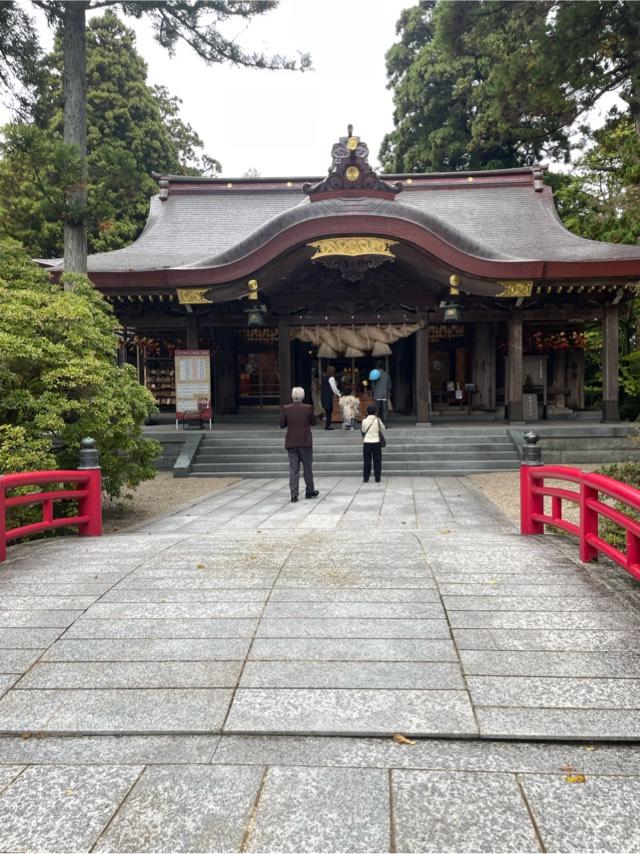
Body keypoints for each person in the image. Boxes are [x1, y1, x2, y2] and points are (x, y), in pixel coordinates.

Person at [279, 387, 320, 503]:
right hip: (305, 441)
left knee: (293, 469)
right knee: (307, 468)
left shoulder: (286, 409)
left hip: (291, 442)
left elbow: (281, 424)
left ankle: (294, 494)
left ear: (292, 396)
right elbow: (314, 422)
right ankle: (309, 490)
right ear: (303, 396)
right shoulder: (308, 408)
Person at [361, 402, 385, 483]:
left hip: (367, 442)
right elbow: (383, 428)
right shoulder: (378, 420)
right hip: (376, 442)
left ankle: (366, 478)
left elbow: (363, 430)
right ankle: (377, 478)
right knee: (377, 461)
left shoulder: (364, 421)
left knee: (367, 461)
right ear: (375, 412)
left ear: (367, 412)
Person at [321, 365, 341, 430]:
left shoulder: (324, 377)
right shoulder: (331, 378)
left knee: (327, 411)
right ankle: (327, 426)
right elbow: (333, 388)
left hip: (323, 396)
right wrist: (339, 394)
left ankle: (327, 425)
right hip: (328, 396)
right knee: (329, 411)